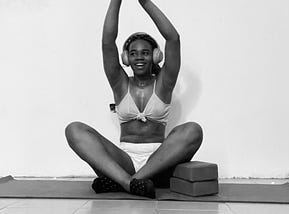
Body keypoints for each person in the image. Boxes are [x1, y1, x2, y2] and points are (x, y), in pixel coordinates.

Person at [65, 0, 203, 198]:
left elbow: (173, 38)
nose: (139, 57)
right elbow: (107, 42)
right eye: (134, 53)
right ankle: (129, 182)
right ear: (126, 58)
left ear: (156, 56)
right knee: (74, 129)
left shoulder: (164, 83)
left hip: (160, 162)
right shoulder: (120, 83)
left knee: (193, 130)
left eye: (145, 53)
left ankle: (125, 182)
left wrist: (145, 2)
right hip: (124, 161)